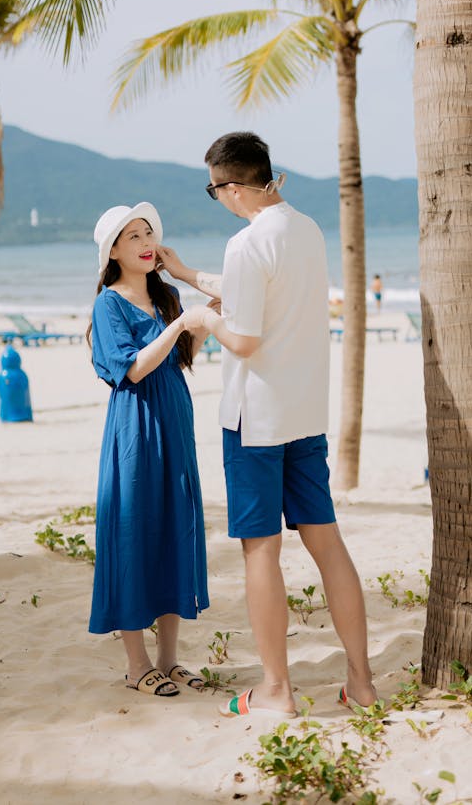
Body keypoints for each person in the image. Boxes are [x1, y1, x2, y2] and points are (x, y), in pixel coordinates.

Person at [157, 133, 376, 717]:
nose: (218, 199)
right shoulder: (305, 230)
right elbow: (263, 292)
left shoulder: (247, 242)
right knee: (327, 544)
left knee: (262, 552)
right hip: (305, 414)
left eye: (213, 190)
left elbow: (246, 335)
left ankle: (276, 690)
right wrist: (188, 274)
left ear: (230, 187)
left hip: (255, 420)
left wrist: (199, 318)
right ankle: (361, 682)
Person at [87, 202, 211, 698]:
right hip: (135, 427)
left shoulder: (168, 295)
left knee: (173, 530)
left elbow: (179, 361)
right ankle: (137, 666)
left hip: (175, 419)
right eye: (132, 236)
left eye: (149, 234)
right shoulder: (109, 303)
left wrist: (197, 328)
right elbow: (133, 369)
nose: (145, 243)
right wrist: (180, 326)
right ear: (113, 251)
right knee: (134, 533)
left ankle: (169, 661)